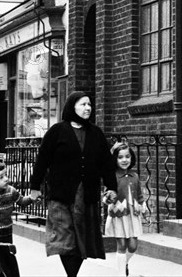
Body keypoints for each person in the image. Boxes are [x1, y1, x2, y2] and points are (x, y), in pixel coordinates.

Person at [30, 91, 117, 277]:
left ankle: (72, 275)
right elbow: (42, 160)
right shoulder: (57, 131)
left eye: (89, 105)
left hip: (87, 195)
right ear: (72, 107)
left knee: (81, 239)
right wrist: (34, 187)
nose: (88, 108)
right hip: (62, 195)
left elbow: (107, 163)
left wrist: (111, 187)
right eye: (83, 104)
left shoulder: (95, 133)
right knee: (65, 239)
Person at [103, 142, 144, 276]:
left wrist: (143, 205)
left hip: (133, 214)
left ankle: (124, 262)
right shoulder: (112, 176)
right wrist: (108, 198)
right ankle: (121, 274)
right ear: (114, 159)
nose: (124, 160)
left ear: (131, 158)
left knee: (133, 246)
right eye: (120, 157)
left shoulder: (135, 176)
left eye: (127, 156)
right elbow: (106, 195)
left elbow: (139, 195)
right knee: (121, 244)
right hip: (118, 214)